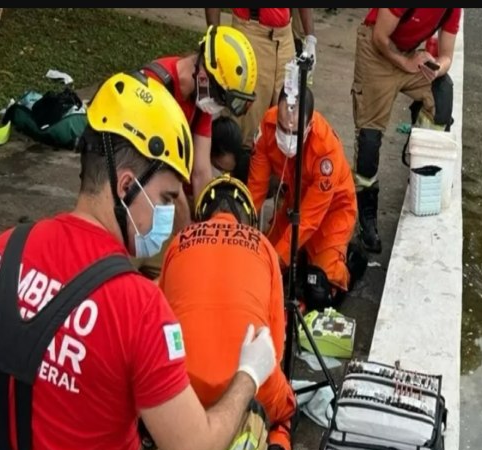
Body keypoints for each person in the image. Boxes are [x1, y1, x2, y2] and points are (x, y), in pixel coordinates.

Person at [0, 71, 277, 450]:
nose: (171, 217)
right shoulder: (138, 309)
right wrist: (249, 374)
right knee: (249, 430)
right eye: (167, 197)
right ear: (125, 185)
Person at [159, 174, 297, 450]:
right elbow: (274, 339)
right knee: (285, 409)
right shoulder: (263, 246)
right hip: (248, 391)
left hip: (182, 395)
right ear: (247, 218)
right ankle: (275, 448)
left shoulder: (176, 245)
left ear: (201, 216)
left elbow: (160, 325)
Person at [132, 25, 258, 281]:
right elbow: (168, 178)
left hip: (160, 200)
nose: (219, 106)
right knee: (140, 280)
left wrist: (209, 230)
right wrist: (191, 240)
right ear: (204, 74)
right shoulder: (155, 89)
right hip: (133, 199)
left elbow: (200, 173)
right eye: (221, 98)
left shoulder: (200, 103)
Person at [351, 8, 462, 253]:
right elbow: (380, 36)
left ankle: (420, 166)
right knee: (369, 139)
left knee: (441, 96)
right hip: (378, 52)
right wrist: (405, 63)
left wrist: (435, 68)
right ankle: (367, 219)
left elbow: (446, 56)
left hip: (410, 56)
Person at [247, 86, 360, 311]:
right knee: (261, 256)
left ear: (309, 125)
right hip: (295, 202)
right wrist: (240, 233)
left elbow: (309, 219)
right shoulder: (267, 127)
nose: (287, 137)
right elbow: (255, 190)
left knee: (320, 286)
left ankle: (349, 261)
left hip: (333, 210)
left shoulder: (326, 150)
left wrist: (276, 259)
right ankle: (300, 256)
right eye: (282, 127)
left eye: (295, 132)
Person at [205, 8, 316, 183]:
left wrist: (310, 38)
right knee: (244, 132)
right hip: (251, 32)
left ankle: (275, 200)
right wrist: (214, 35)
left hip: (284, 37)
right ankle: (233, 200)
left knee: (287, 126)